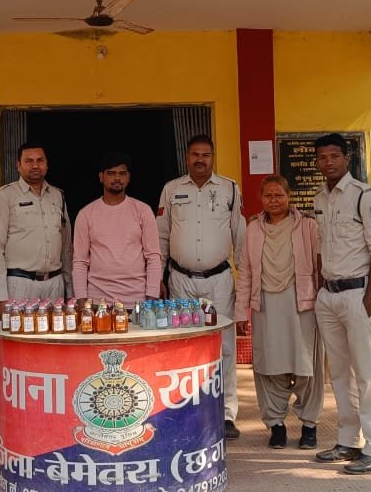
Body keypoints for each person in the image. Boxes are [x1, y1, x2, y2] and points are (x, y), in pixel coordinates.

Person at [310, 134, 371, 475]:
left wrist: (369, 298)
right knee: (340, 374)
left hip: (357, 294)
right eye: (322, 157)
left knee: (367, 374)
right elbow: (321, 248)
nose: (328, 162)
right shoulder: (320, 198)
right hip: (329, 296)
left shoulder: (364, 196)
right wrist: (321, 288)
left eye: (334, 156)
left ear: (346, 158)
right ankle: (348, 440)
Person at [157, 134, 246, 439]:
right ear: (187, 157)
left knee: (225, 347)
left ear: (213, 157)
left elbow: (240, 235)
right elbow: (161, 236)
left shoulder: (229, 188)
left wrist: (244, 281)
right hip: (181, 280)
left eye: (206, 155)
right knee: (184, 344)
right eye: (195, 154)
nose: (200, 160)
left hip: (219, 279)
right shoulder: (171, 189)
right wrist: (159, 278)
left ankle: (227, 413)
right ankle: (186, 409)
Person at [0, 142, 72, 446]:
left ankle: (49, 427)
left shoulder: (58, 196)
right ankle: (3, 432)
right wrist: (1, 295)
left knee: (53, 357)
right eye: (29, 161)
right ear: (18, 165)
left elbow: (67, 246)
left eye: (40, 160)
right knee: (12, 358)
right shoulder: (5, 197)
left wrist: (69, 289)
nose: (35, 165)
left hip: (53, 285)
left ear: (47, 164)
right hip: (19, 286)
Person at [234, 175, 324, 451]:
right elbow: (245, 272)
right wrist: (240, 312)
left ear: (289, 196)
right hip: (266, 306)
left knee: (307, 367)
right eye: (268, 195)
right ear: (261, 199)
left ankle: (309, 425)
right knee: (268, 367)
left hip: (302, 305)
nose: (273, 200)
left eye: (279, 195)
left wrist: (324, 304)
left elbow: (320, 267)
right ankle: (276, 425)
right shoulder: (253, 229)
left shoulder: (307, 225)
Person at [72, 152, 162, 305]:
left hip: (137, 301)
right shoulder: (86, 214)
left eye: (122, 173)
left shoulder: (143, 211)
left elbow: (153, 257)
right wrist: (81, 300)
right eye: (111, 173)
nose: (117, 178)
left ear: (128, 177)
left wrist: (151, 298)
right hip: (98, 302)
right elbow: (80, 261)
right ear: (101, 177)